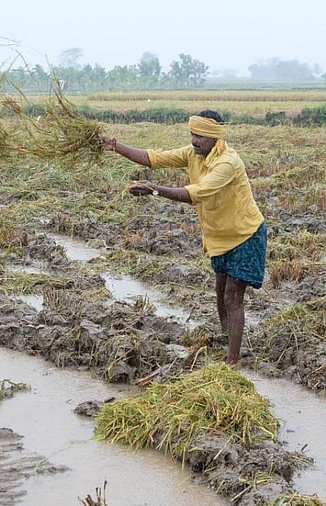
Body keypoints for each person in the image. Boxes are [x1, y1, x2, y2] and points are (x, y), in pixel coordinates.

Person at [101, 110, 266, 364]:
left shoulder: (228, 163)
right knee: (221, 290)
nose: (194, 140)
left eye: (199, 135)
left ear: (214, 137)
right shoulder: (193, 154)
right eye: (192, 134)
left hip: (244, 234)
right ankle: (227, 339)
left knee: (233, 296)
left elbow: (197, 193)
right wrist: (116, 146)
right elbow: (154, 158)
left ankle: (233, 360)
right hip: (219, 235)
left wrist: (154, 190)